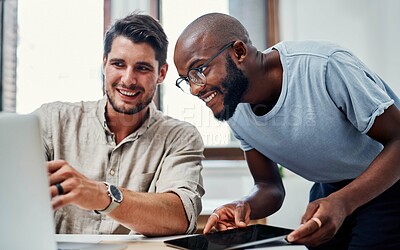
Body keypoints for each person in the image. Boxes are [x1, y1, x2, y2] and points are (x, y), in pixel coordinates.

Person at [173, 12, 400, 249]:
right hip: (330, 189)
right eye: (186, 80)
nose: (194, 89)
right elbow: (269, 187)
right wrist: (244, 205)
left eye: (199, 70)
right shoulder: (234, 107)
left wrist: (343, 202)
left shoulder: (324, 66)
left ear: (239, 52)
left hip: (390, 181)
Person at [34, 13, 205, 236]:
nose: (128, 79)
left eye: (142, 68)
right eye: (118, 64)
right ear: (105, 63)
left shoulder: (180, 137)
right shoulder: (51, 121)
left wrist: (101, 195)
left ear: (161, 73)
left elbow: (180, 216)